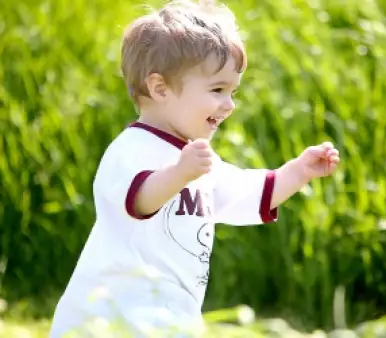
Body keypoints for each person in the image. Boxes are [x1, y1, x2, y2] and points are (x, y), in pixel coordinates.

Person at [49, 0, 340, 337]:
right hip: (111, 317)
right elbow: (138, 201)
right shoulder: (132, 149)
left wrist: (298, 171)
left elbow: (246, 193)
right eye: (218, 90)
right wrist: (180, 174)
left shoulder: (196, 159)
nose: (229, 105)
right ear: (160, 88)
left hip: (170, 318)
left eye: (233, 91)